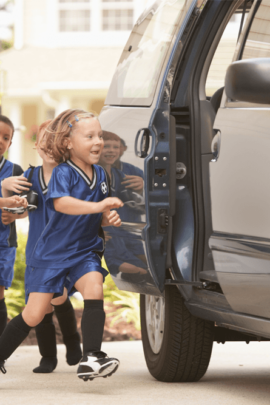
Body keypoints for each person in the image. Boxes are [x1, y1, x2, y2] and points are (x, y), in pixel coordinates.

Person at [0, 109, 123, 381]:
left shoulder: (101, 174)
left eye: (99, 135)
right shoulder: (62, 173)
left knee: (94, 285)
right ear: (68, 143)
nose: (98, 141)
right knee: (33, 315)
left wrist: (108, 215)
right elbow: (62, 203)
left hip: (84, 251)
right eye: (89, 135)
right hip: (51, 255)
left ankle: (90, 356)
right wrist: (100, 205)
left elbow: (99, 213)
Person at [1, 120, 82, 374]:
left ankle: (72, 340)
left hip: (67, 250)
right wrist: (12, 211)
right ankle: (48, 356)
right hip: (39, 250)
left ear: (66, 145)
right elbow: (23, 209)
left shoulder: (73, 175)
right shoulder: (28, 176)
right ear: (36, 144)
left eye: (56, 140)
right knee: (40, 306)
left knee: (59, 297)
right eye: (45, 140)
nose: (50, 146)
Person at [0, 114, 28, 341]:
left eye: (6, 137)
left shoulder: (15, 171)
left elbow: (25, 207)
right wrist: (5, 200)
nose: (1, 140)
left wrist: (13, 213)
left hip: (3, 243)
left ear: (10, 143)